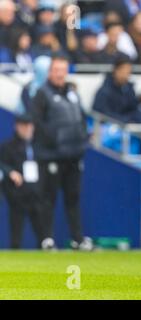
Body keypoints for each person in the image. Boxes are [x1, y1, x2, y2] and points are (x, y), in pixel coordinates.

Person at [31, 54, 92, 251]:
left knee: (73, 199)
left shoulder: (72, 93)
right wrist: (55, 141)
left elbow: (81, 119)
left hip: (73, 156)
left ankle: (77, 238)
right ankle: (46, 239)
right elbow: (38, 123)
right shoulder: (42, 93)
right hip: (51, 157)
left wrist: (82, 139)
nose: (59, 74)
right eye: (56, 70)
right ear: (49, 72)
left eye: (62, 70)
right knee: (48, 199)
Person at [0, 114, 44, 249]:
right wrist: (10, 172)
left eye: (30, 126)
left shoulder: (38, 145)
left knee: (42, 227)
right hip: (17, 192)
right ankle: (15, 249)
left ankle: (46, 246)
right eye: (24, 126)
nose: (28, 129)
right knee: (17, 227)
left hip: (36, 192)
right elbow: (2, 163)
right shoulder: (8, 146)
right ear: (17, 127)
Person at [92, 55, 141, 123]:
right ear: (115, 70)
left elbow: (134, 108)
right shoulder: (104, 91)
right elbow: (102, 115)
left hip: (128, 126)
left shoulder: (129, 88)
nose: (125, 75)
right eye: (123, 71)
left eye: (128, 72)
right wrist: (125, 120)